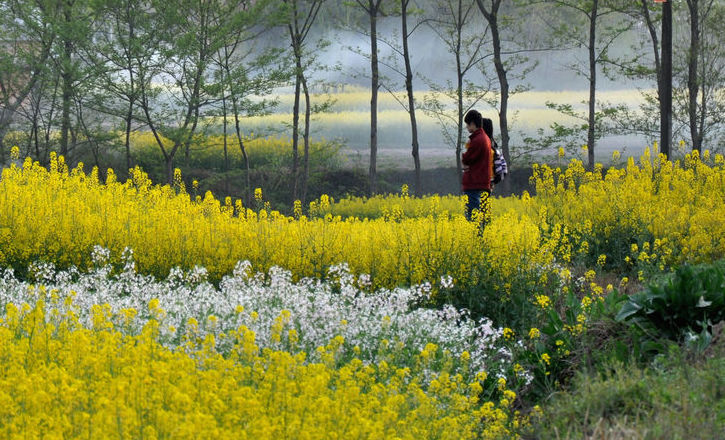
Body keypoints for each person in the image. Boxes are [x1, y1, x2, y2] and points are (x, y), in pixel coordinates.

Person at [461, 110, 492, 223]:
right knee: (481, 217)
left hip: (474, 183)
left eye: (468, 124)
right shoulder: (485, 138)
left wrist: (464, 157)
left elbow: (466, 159)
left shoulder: (477, 140)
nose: (467, 127)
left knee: (473, 217)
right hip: (481, 182)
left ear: (473, 124)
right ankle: (481, 237)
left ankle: (476, 238)